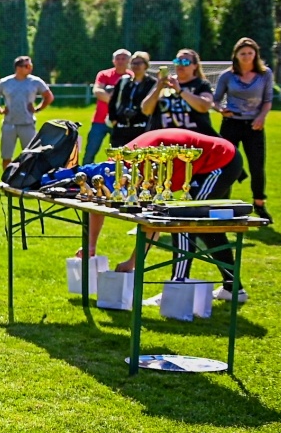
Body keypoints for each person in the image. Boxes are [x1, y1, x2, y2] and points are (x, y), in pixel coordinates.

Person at [86, 129, 248, 303]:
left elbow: (153, 222)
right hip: (209, 162)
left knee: (184, 222)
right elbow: (101, 206)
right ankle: (233, 289)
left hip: (220, 161)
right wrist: (91, 246)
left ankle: (177, 285)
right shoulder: (116, 167)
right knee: (207, 229)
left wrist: (131, 262)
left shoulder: (145, 166)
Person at [214, 36, 272, 223]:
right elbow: (215, 99)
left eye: (250, 53)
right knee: (226, 164)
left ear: (255, 54)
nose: (246, 56)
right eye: (243, 53)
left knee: (257, 165)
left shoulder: (265, 75)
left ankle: (260, 203)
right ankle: (223, 202)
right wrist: (221, 109)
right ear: (236, 55)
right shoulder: (227, 75)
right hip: (232, 123)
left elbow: (267, 100)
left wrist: (261, 117)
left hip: (254, 124)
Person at [0, 55, 53, 168]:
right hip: (9, 124)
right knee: (6, 156)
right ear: (18, 68)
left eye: (30, 65)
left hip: (27, 124)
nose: (30, 68)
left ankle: (27, 180)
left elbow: (48, 96)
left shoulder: (35, 81)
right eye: (27, 66)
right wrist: (0, 110)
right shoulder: (5, 82)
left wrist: (38, 108)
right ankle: (7, 180)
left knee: (31, 155)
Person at [141, 48, 213, 135]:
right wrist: (158, 88)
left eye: (185, 62)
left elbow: (204, 106)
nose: (180, 65)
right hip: (164, 138)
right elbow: (146, 110)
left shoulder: (201, 84)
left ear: (195, 66)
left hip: (193, 138)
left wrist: (179, 90)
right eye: (177, 62)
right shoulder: (164, 84)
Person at [88, 49, 131, 162]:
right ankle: (84, 176)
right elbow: (97, 91)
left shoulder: (132, 76)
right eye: (118, 58)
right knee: (90, 152)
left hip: (121, 122)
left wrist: (109, 97)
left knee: (120, 154)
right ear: (113, 60)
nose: (120, 61)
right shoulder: (104, 74)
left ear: (129, 61)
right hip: (99, 120)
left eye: (124, 58)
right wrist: (117, 101)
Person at [109, 51, 157, 149]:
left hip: (142, 126)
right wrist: (113, 119)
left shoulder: (152, 83)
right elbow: (113, 101)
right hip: (122, 126)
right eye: (133, 63)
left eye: (139, 63)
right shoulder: (124, 81)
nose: (136, 66)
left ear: (146, 65)